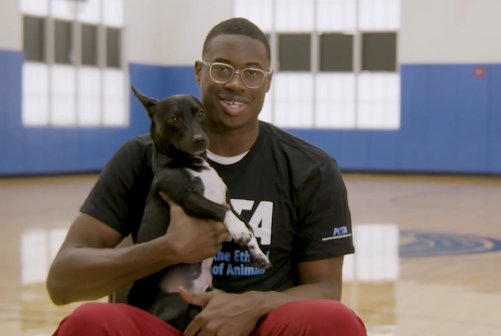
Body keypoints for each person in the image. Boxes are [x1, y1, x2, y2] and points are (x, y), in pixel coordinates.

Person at [46, 17, 366, 336]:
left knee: (336, 322)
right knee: (86, 323)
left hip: (259, 327)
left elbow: (325, 288)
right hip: (165, 325)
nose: (236, 84)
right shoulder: (140, 157)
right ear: (199, 71)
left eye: (252, 73)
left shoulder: (312, 169)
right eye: (222, 68)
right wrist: (168, 249)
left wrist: (254, 304)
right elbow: (62, 282)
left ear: (268, 81)